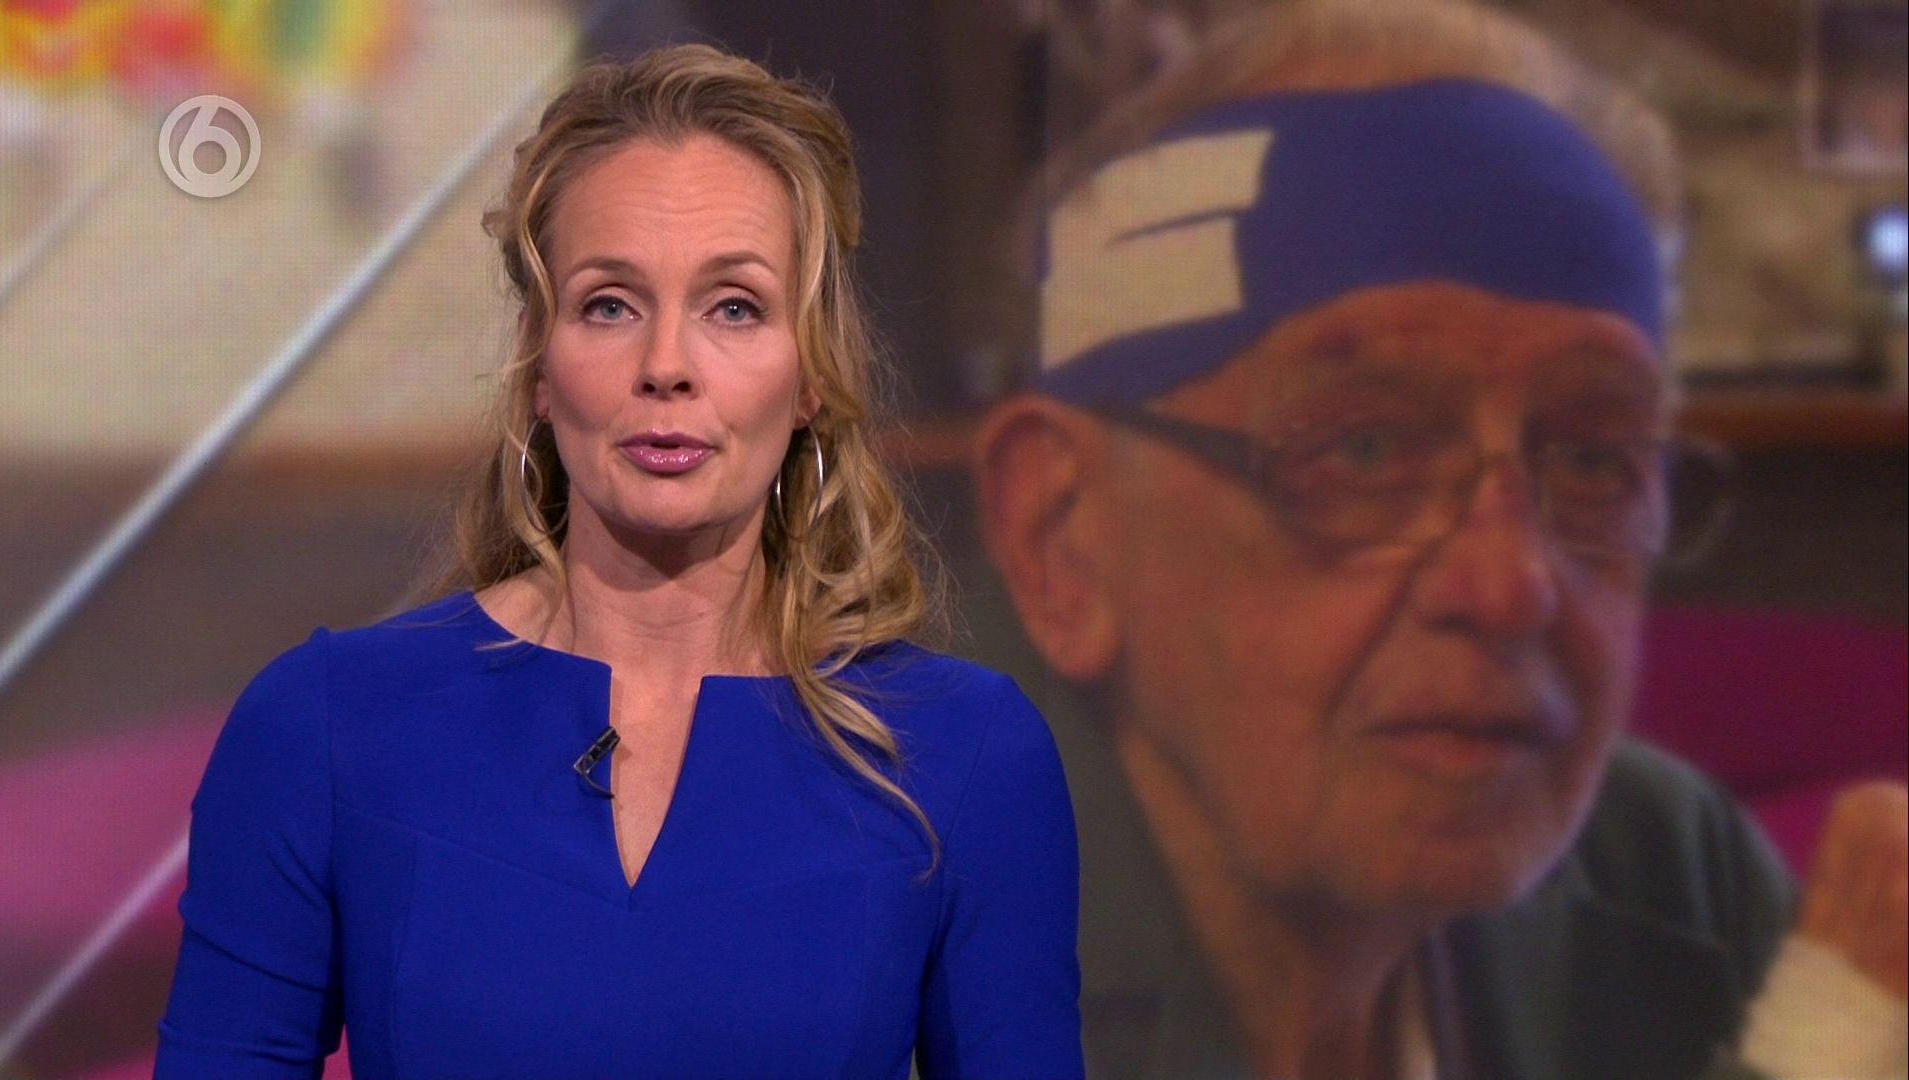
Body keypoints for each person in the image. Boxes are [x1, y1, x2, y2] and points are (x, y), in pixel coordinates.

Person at [975, 2, 1908, 1078]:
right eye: (1363, 450)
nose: (1508, 586)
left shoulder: (1664, 876)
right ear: (1063, 537)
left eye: (1595, 461)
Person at [156, 44, 1083, 1078]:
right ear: (539, 366)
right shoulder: (325, 729)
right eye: (609, 304)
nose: (666, 367)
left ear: (811, 373)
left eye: (734, 306)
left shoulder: (963, 755)